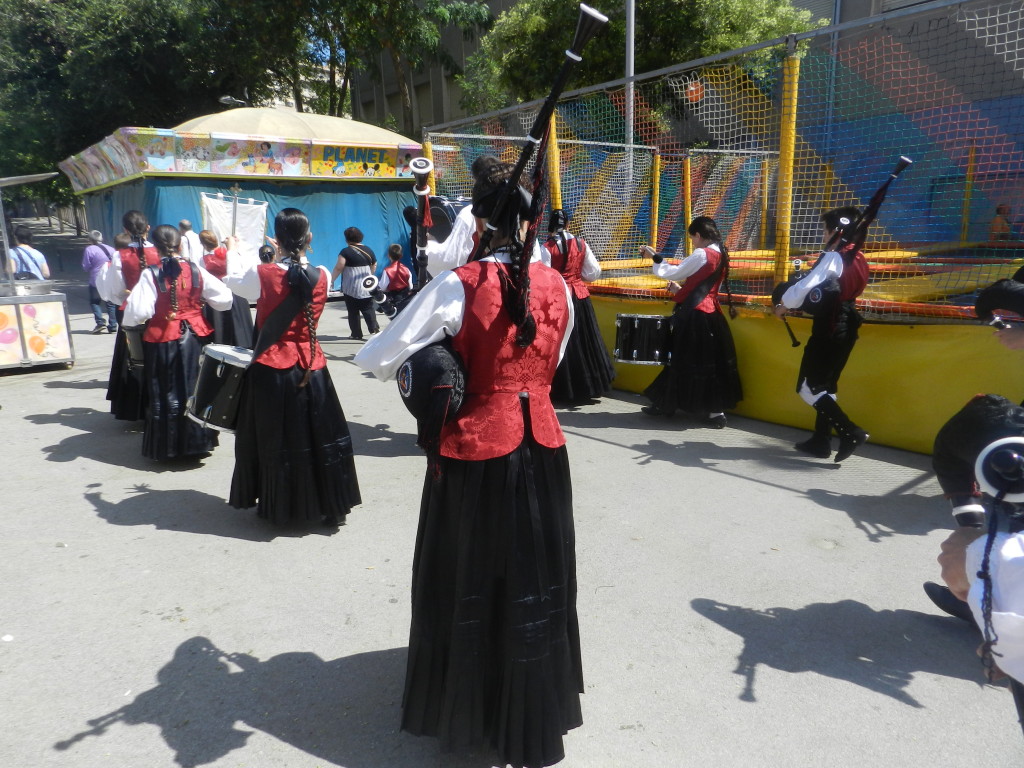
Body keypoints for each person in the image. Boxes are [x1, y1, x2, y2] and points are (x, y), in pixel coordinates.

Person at [354, 159, 583, 768]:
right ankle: (531, 709)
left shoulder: (459, 284)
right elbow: (554, 360)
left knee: (471, 570)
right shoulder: (559, 286)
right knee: (536, 571)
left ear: (479, 221)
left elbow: (378, 356)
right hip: (543, 445)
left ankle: (470, 708)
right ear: (531, 221)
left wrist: (445, 360)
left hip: (477, 449)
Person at [223, 208, 361, 527]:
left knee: (276, 437)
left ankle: (283, 506)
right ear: (309, 238)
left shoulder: (262, 274)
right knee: (319, 433)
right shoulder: (323, 274)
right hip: (313, 365)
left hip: (273, 367)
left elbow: (233, 281)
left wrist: (233, 250)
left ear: (277, 240)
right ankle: (330, 503)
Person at [123, 224, 233, 461]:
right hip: (195, 337)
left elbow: (138, 313)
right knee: (196, 387)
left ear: (157, 248)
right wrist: (197, 302)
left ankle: (169, 447)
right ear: (180, 244)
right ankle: (198, 442)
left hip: (163, 338)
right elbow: (225, 299)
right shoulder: (196, 270)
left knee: (166, 389)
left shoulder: (151, 273)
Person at [774, 206, 869, 461]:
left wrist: (784, 304)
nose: (824, 236)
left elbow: (806, 285)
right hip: (848, 323)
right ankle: (821, 440)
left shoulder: (835, 257)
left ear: (836, 232)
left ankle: (850, 431)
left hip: (830, 326)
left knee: (808, 386)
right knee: (826, 385)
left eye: (826, 231)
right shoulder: (859, 257)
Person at [640, 216, 742, 428]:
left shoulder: (702, 254)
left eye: (693, 238)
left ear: (698, 235)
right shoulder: (722, 253)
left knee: (681, 359)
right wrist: (681, 290)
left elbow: (673, 272)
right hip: (712, 315)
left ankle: (666, 404)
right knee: (711, 362)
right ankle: (715, 412)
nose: (693, 243)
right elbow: (704, 287)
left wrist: (655, 257)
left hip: (695, 316)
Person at [98, 210, 162, 421]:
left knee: (133, 361)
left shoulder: (120, 255)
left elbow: (114, 292)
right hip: (160, 313)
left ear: (125, 230)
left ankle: (136, 408)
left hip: (131, 314)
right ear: (148, 228)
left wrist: (130, 295)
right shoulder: (160, 251)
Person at [545, 209, 615, 402]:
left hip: (559, 298)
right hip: (580, 296)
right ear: (568, 224)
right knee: (586, 340)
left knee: (564, 343)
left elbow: (543, 274)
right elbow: (593, 272)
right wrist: (576, 276)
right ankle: (589, 387)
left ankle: (564, 390)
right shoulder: (581, 243)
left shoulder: (547, 247)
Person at [198, 229, 254, 348]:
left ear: (203, 244)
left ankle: (220, 343)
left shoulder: (204, 260)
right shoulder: (231, 253)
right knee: (239, 320)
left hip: (217, 292)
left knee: (220, 323)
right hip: (235, 291)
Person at [330, 226, 379, 340]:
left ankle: (356, 334)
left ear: (347, 239)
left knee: (353, 311)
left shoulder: (345, 252)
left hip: (350, 288)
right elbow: (374, 264)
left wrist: (331, 280)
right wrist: (369, 276)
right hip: (366, 286)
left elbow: (339, 267)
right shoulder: (368, 250)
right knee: (368, 308)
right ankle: (374, 329)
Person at [81, 230, 118, 334]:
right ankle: (113, 325)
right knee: (110, 303)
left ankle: (100, 323)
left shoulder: (89, 249)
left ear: (90, 239)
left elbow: (86, 267)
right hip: (109, 279)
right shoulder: (111, 249)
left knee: (95, 302)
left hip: (96, 280)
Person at [378, 243, 413, 316]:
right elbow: (410, 286)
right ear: (401, 255)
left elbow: (382, 287)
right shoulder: (406, 269)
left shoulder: (387, 271)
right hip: (406, 296)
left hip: (394, 297)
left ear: (388, 255)